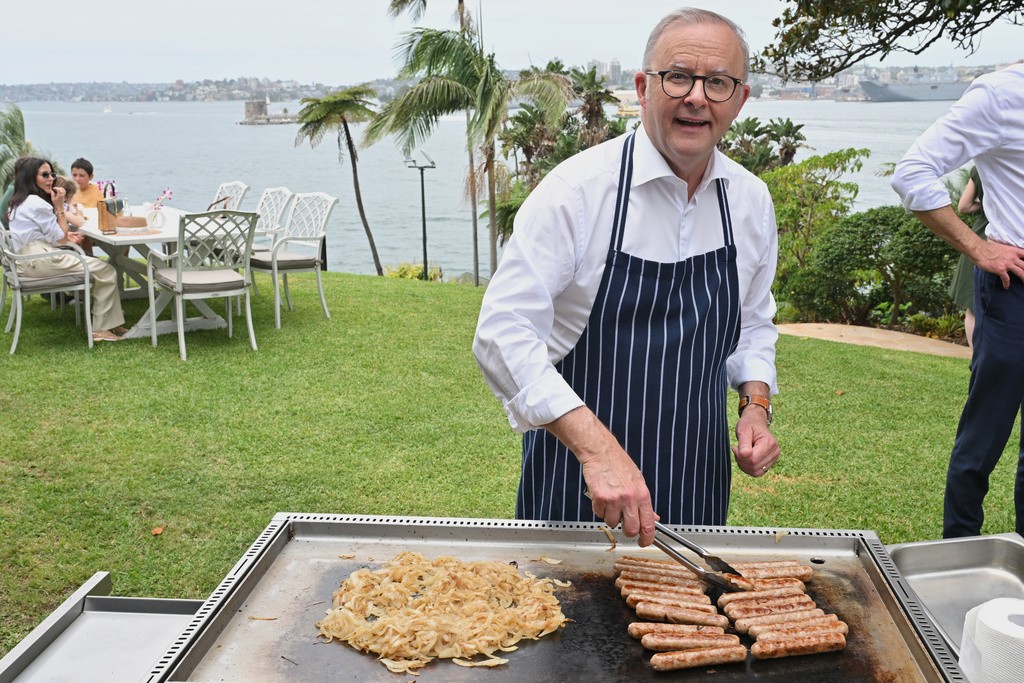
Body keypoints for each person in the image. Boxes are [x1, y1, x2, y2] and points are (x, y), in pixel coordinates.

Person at [473, 8, 780, 548]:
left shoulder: (751, 202)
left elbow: (752, 324)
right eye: (678, 76)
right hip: (577, 487)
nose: (697, 97)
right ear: (643, 87)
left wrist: (755, 406)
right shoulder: (577, 191)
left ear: (741, 98)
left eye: (718, 83)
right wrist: (597, 451)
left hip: (697, 486)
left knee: (692, 627)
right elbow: (502, 330)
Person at [892, 63, 1024, 538]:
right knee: (982, 441)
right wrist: (978, 246)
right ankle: (958, 557)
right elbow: (912, 173)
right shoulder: (1002, 94)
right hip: (1015, 293)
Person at [5, 157, 127, 341]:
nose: (51, 179)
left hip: (30, 259)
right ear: (31, 177)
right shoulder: (37, 204)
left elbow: (46, 235)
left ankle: (111, 323)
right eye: (44, 175)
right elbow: (61, 238)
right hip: (40, 260)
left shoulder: (19, 201)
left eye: (51, 174)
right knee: (106, 270)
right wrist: (60, 207)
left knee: (97, 267)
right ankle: (101, 328)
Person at [947, 167, 987, 350]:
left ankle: (974, 356)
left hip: (980, 238)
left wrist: (986, 206)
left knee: (973, 306)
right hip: (1012, 238)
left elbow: (964, 206)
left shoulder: (981, 168)